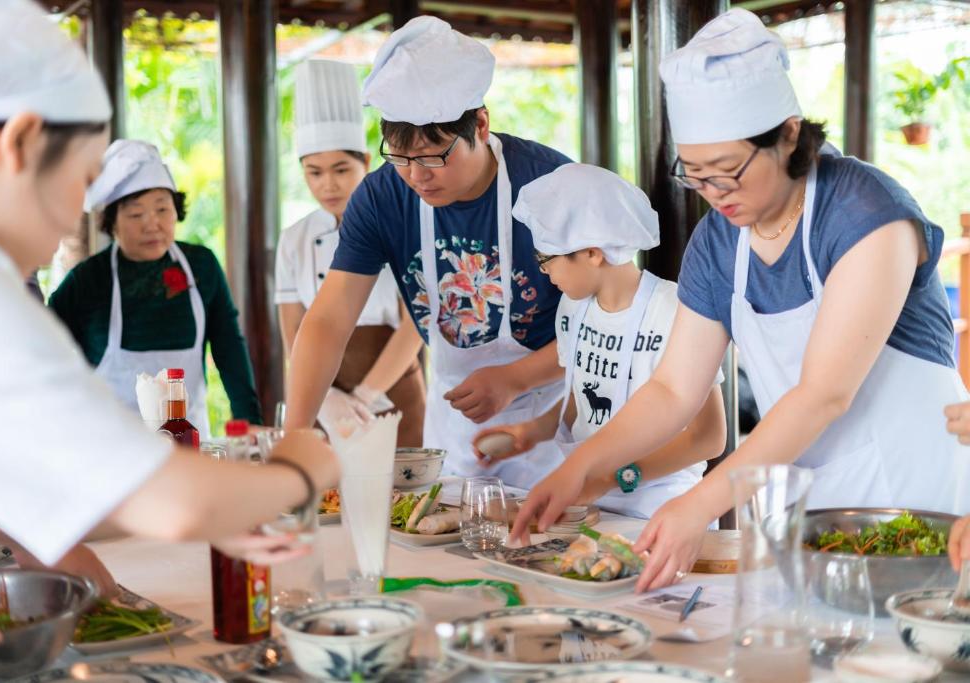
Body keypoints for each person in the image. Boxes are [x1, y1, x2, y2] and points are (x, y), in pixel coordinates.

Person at [512, 7, 969, 592]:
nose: (714, 194)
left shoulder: (864, 211)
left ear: (788, 135)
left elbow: (823, 395)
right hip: (818, 501)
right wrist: (580, 466)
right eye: (695, 175)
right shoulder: (719, 240)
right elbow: (674, 389)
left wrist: (701, 502)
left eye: (727, 171)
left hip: (923, 495)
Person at [0, 2, 338, 679]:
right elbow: (172, 501)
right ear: (19, 141)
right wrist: (301, 469)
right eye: (82, 177)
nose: (78, 210)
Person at [283, 17, 574, 489]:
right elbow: (328, 319)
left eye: (434, 156)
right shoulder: (380, 197)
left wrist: (517, 378)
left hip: (555, 417)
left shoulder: (552, 186)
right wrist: (295, 434)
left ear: (479, 125)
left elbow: (608, 322)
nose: (417, 176)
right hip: (455, 423)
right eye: (399, 158)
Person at [473, 164, 726, 518]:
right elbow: (583, 398)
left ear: (593, 253)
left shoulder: (675, 310)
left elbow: (709, 437)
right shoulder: (573, 309)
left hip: (663, 507)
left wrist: (616, 477)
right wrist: (532, 431)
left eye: (546, 260)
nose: (544, 273)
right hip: (590, 500)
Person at [50, 139, 263, 437]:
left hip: (186, 444)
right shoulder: (88, 279)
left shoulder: (201, 266)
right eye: (136, 214)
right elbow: (46, 350)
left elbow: (229, 348)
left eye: (162, 209)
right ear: (111, 222)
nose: (152, 225)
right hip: (108, 445)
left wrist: (249, 420)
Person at [277, 59, 425, 446]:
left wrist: (365, 395)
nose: (328, 185)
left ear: (365, 161)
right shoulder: (294, 238)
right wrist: (325, 396)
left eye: (341, 169)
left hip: (392, 390)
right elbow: (295, 329)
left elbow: (417, 324)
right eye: (314, 172)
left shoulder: (401, 225)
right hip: (323, 396)